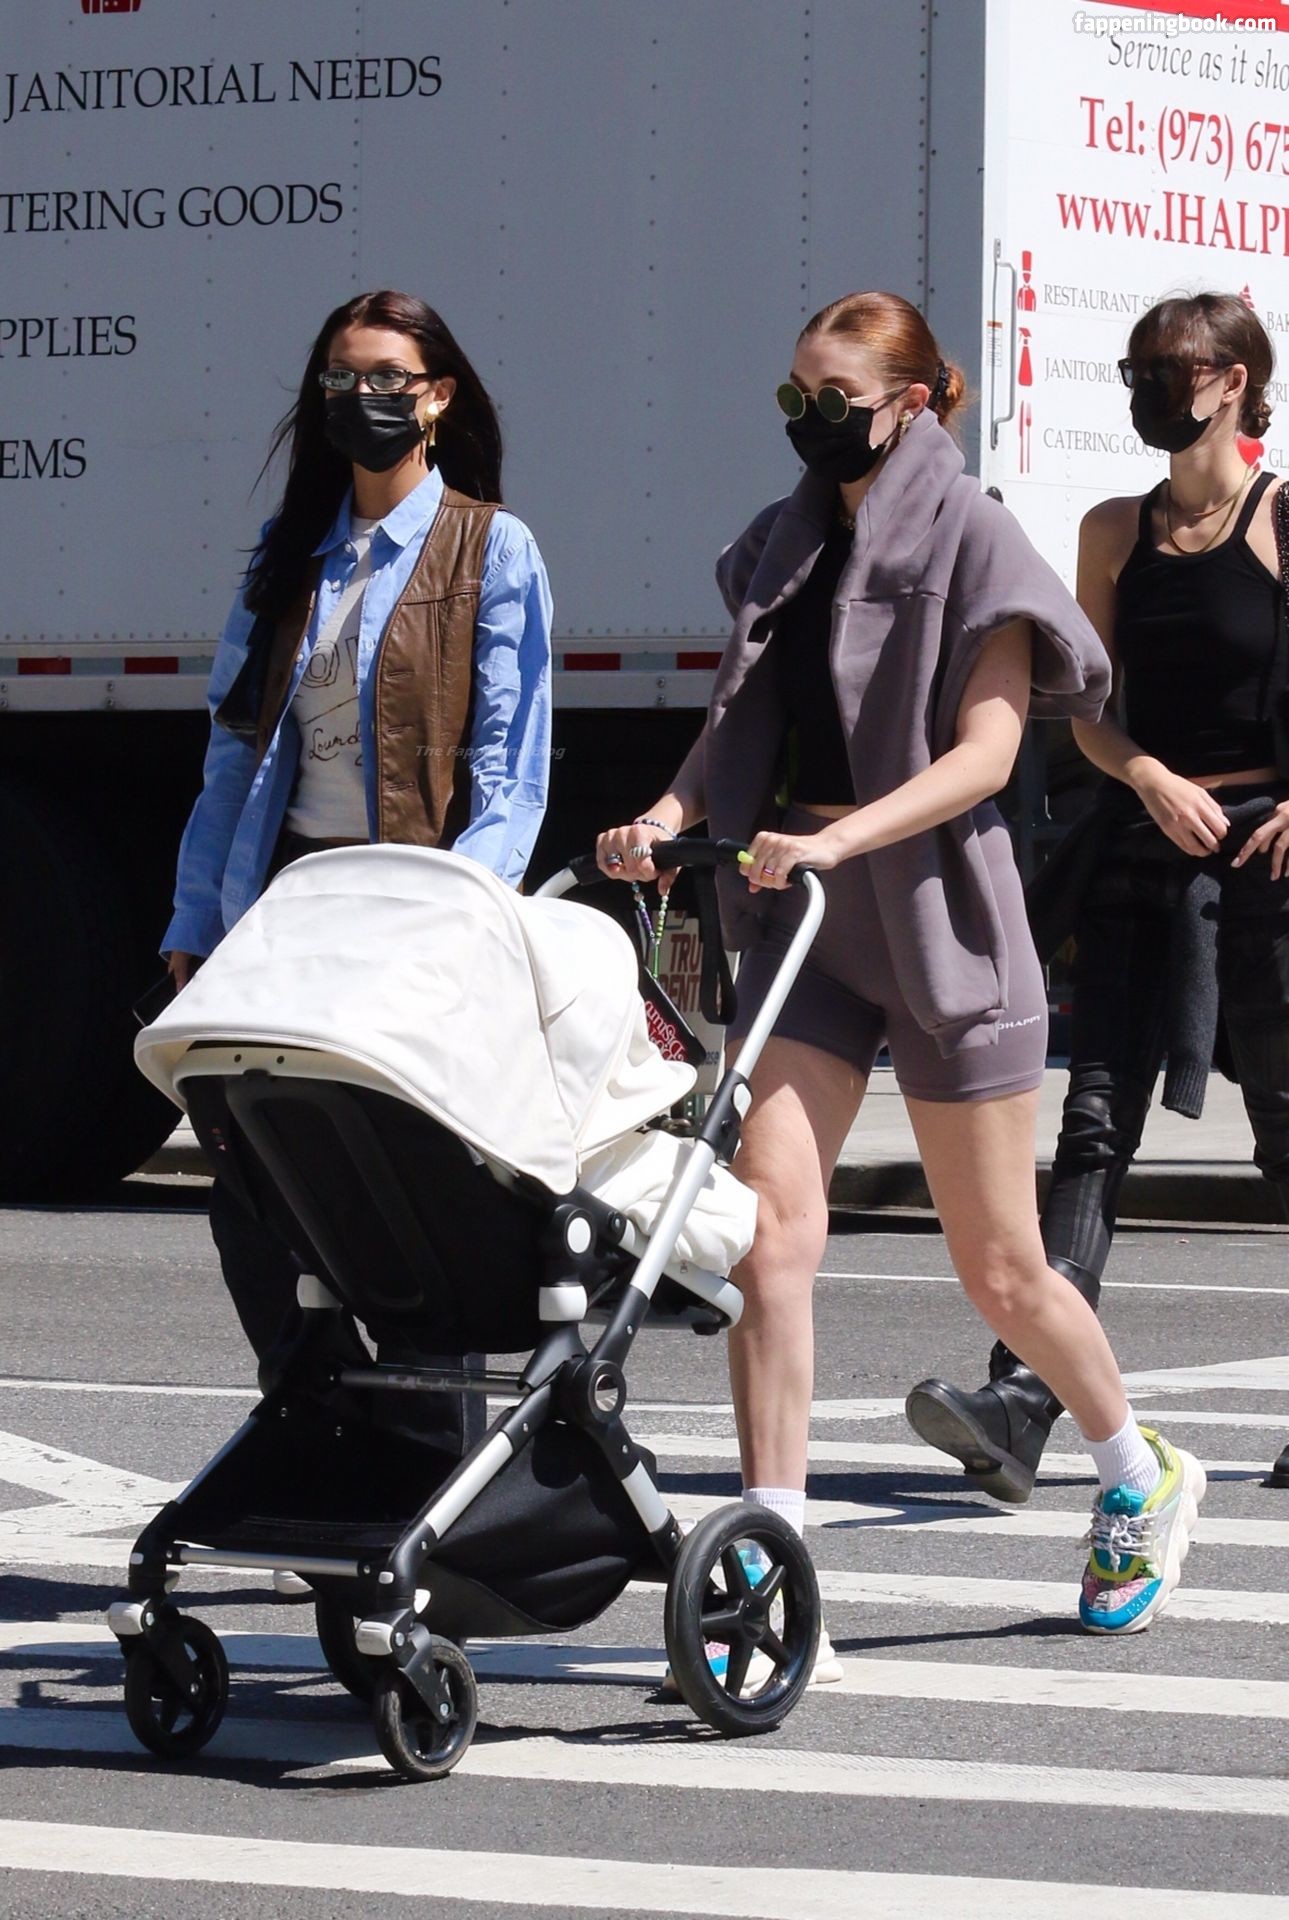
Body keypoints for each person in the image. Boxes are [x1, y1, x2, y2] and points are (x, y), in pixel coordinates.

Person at [599, 289, 1205, 1646]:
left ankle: (1135, 1467)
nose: (808, 423)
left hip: (938, 922)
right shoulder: (786, 541)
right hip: (806, 926)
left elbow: (986, 759)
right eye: (792, 400)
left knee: (1001, 1273)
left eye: (834, 402)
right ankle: (773, 1558)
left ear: (913, 404)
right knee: (769, 1240)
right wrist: (666, 814)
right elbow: (736, 724)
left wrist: (839, 839)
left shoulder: (976, 538)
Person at [907, 291, 1289, 1494]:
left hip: (1268, 860)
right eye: (1134, 370)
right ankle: (1021, 1400)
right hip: (1141, 845)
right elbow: (1085, 708)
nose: (1147, 390)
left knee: (1284, 1128)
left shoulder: (1281, 520)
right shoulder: (1112, 530)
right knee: (1091, 1123)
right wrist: (1147, 777)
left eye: (1167, 370)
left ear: (1230, 381)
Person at [161, 288, 553, 1445]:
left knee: (409, 1200)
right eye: (341, 378)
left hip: (409, 917)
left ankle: (433, 1462)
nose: (362, 397)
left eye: (387, 377)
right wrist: (195, 917)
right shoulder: (291, 557)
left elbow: (509, 772)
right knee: (253, 1190)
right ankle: (315, 1420)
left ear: (436, 398)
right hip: (283, 908)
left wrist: (455, 919)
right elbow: (233, 755)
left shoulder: (490, 546)